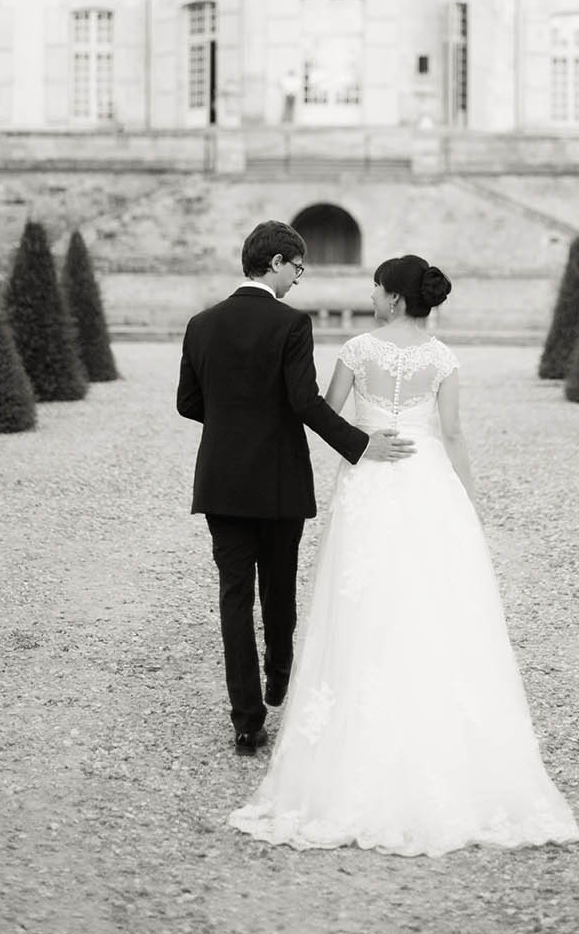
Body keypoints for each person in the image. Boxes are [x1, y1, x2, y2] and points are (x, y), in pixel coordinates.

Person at [229, 254, 579, 856]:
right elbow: (453, 434)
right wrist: (468, 502)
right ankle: (437, 733)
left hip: (369, 482)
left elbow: (320, 412)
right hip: (427, 485)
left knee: (361, 601)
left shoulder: (358, 349)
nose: (371, 294)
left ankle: (352, 740)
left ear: (393, 297)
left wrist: (355, 444)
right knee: (431, 602)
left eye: (376, 287)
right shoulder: (443, 358)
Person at [176, 221, 414, 756]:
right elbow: (305, 403)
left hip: (221, 479)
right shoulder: (290, 323)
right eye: (298, 268)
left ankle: (246, 721)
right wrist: (360, 443)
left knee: (233, 597)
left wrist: (231, 423)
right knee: (278, 585)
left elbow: (187, 403)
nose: (299, 279)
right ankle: (278, 670)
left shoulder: (200, 323)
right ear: (279, 262)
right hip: (279, 478)